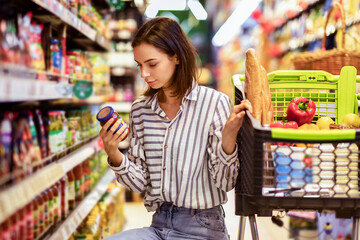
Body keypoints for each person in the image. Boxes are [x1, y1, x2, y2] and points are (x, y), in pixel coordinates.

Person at [100, 16, 252, 240]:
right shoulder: (141, 110)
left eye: (152, 64)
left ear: (177, 57)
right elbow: (139, 182)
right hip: (159, 224)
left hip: (204, 226)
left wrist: (228, 140)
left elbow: (225, 182)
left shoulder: (214, 103)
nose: (144, 74)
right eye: (139, 65)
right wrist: (114, 153)